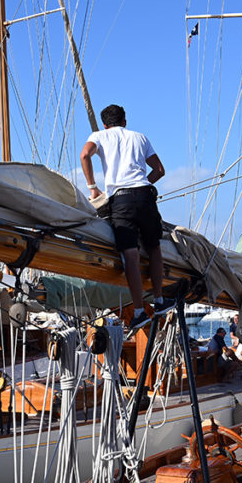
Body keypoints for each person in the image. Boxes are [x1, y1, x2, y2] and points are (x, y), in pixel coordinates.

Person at [80, 104, 173, 330]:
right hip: (145, 196)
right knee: (154, 248)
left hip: (120, 200)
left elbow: (85, 155)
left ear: (105, 124)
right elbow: (159, 169)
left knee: (130, 255)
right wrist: (141, 185)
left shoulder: (99, 136)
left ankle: (140, 311)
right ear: (124, 121)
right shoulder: (140, 138)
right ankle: (160, 301)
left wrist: (93, 187)